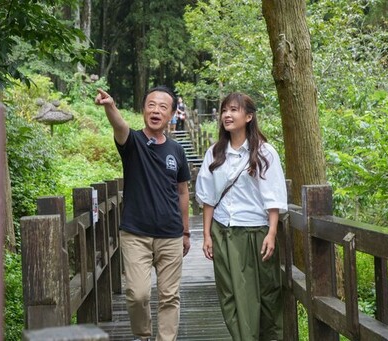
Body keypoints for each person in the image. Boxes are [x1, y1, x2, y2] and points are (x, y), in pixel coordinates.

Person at [95, 86, 192, 341]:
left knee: (169, 296)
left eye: (162, 107)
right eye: (151, 105)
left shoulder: (177, 150)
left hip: (170, 234)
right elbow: (119, 126)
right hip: (135, 233)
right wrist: (110, 106)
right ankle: (142, 335)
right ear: (143, 110)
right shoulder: (133, 142)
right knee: (138, 294)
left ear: (171, 114)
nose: (156, 110)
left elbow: (183, 192)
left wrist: (185, 231)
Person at [195, 92, 287, 341]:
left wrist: (271, 232)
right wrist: (206, 235)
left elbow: (274, 197)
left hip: (255, 231)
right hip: (223, 231)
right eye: (224, 110)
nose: (227, 115)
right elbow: (208, 198)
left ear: (248, 116)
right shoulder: (214, 152)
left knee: (264, 294)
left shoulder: (265, 152)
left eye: (234, 110)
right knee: (230, 295)